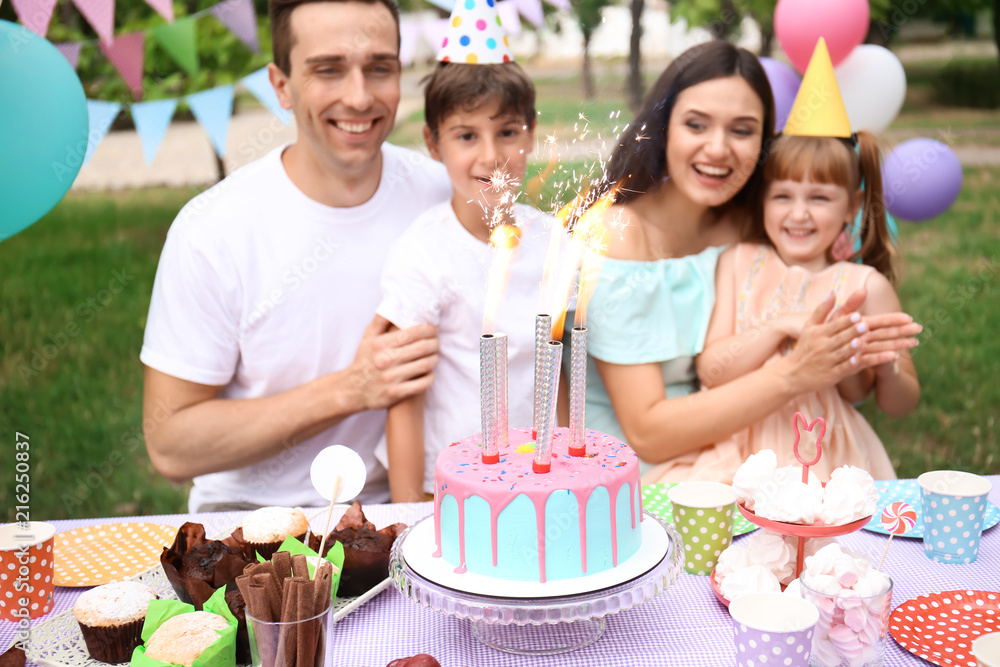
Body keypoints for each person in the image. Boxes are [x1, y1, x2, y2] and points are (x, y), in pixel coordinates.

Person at [140, 0, 451, 511]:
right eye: (328, 70)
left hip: (415, 513)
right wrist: (350, 389)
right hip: (253, 530)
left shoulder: (446, 199)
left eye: (380, 68)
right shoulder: (213, 230)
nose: (359, 96)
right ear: (280, 85)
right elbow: (170, 444)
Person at [578, 41, 921, 481]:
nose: (718, 149)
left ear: (763, 143)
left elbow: (838, 358)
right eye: (696, 125)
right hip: (640, 470)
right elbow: (647, 434)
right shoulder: (619, 232)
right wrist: (794, 372)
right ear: (663, 128)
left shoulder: (748, 227)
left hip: (747, 448)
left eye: (742, 130)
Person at [375, 5, 564, 502]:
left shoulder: (553, 242)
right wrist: (406, 512)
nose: (490, 155)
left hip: (538, 476)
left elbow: (558, 369)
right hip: (451, 487)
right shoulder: (424, 252)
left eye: (507, 132)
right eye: (466, 136)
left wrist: (567, 469)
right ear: (433, 143)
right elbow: (405, 396)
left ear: (530, 132)